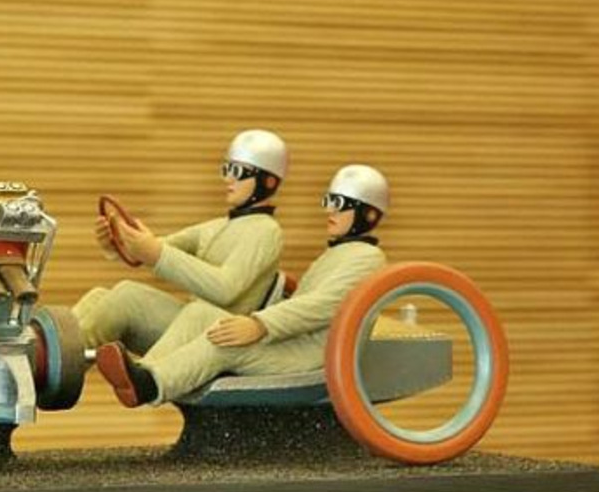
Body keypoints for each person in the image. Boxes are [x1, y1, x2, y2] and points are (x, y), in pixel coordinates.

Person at [95, 164, 390, 407]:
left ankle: (151, 384)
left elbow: (323, 305)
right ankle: (143, 372)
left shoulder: (367, 258)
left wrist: (261, 324)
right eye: (329, 201)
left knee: (224, 342)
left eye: (340, 204)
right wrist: (127, 244)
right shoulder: (338, 254)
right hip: (291, 340)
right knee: (201, 314)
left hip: (309, 356)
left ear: (369, 214)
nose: (330, 211)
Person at [73, 129, 288, 355]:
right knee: (98, 297)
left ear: (268, 181)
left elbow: (225, 289)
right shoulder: (218, 226)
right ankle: (53, 346)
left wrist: (157, 254)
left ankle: (60, 359)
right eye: (227, 169)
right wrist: (119, 244)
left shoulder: (265, 231)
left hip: (214, 333)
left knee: (126, 297)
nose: (228, 179)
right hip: (189, 320)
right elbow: (159, 247)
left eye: (238, 171)